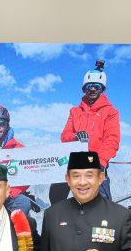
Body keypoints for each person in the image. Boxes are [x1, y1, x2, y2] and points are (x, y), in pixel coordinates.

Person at [51, 61, 120, 204]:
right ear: (84, 89)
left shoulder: (111, 112)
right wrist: (75, 137)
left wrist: (101, 162)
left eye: (97, 86)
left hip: (96, 163)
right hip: (73, 162)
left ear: (102, 89)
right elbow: (64, 136)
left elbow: (112, 140)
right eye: (89, 86)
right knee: (55, 196)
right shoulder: (75, 111)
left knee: (103, 204)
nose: (93, 89)